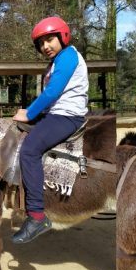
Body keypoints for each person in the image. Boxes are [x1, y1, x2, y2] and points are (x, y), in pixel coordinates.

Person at [11, 17, 89, 244]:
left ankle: (37, 216)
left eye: (50, 39)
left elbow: (52, 92)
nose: (45, 46)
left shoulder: (68, 56)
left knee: (29, 150)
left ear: (63, 37)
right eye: (41, 43)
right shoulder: (59, 60)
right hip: (56, 113)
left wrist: (30, 113)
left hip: (67, 116)